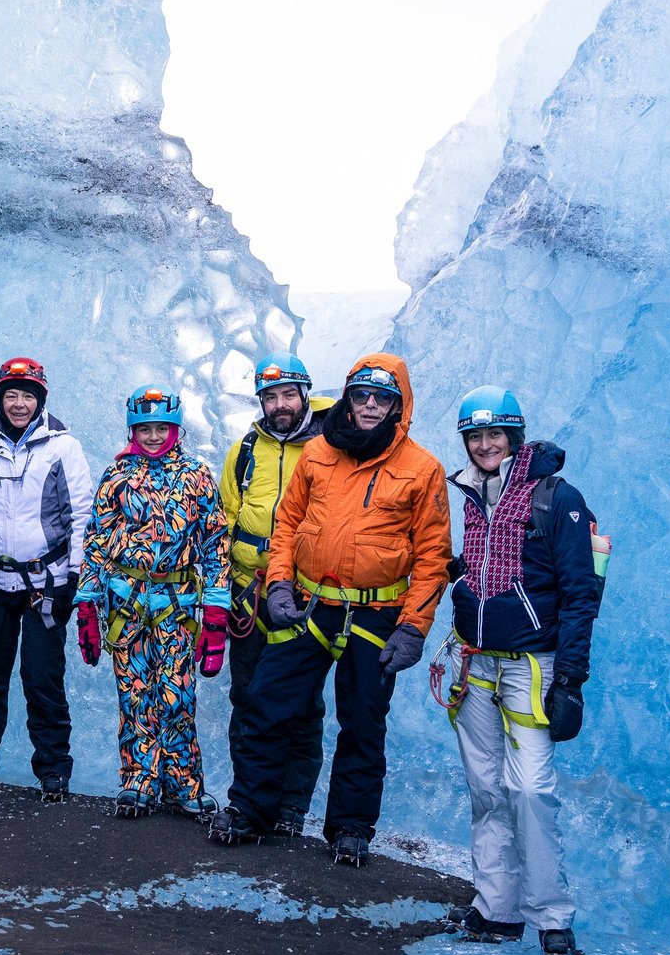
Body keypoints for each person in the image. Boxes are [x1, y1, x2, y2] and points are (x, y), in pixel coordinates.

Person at [208, 353, 451, 867]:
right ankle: (250, 810)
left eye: (381, 398)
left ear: (398, 406)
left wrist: (413, 628)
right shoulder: (320, 453)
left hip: (375, 614)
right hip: (310, 604)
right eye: (360, 395)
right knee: (266, 706)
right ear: (347, 397)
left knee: (363, 725)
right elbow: (288, 526)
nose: (368, 406)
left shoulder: (421, 469)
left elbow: (433, 556)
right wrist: (277, 586)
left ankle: (349, 829)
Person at [437, 386, 602, 955]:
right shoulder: (473, 494)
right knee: (485, 787)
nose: (485, 445)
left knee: (530, 788)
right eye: (475, 436)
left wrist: (571, 679)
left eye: (495, 435)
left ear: (515, 437)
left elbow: (581, 593)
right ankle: (496, 908)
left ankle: (553, 917)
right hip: (476, 661)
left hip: (534, 665)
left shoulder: (557, 498)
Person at [0, 357, 93, 801]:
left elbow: (81, 516)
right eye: (11, 394)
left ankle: (53, 766)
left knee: (42, 677)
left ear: (40, 399)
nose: (19, 403)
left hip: (44, 584)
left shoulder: (63, 447)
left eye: (28, 395)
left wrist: (73, 577)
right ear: (0, 398)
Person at [74, 385, 232, 818]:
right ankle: (138, 779)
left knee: (178, 693)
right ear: (132, 428)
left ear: (177, 428)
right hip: (127, 601)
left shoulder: (198, 475)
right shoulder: (116, 475)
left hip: (178, 603)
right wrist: (87, 602)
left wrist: (216, 611)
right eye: (144, 428)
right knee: (134, 693)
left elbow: (215, 543)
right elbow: (96, 540)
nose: (153, 435)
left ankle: (183, 783)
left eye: (162, 427)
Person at [218, 353, 336, 835]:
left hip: (305, 593)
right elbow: (225, 514)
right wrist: (225, 581)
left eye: (289, 394)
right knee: (246, 697)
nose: (281, 404)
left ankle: (291, 806)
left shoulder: (332, 445)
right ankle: (250, 801)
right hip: (250, 592)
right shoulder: (246, 448)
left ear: (306, 395)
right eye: (271, 397)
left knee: (302, 703)